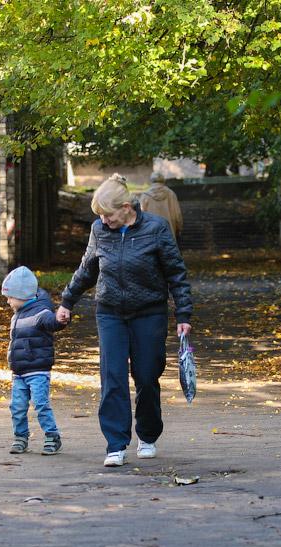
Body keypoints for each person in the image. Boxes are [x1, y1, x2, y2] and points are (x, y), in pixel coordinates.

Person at [56, 174, 193, 467]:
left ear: (127, 207)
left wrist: (183, 314)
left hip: (149, 312)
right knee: (112, 376)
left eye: (108, 214)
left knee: (146, 375)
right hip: (110, 312)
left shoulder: (156, 228)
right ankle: (115, 444)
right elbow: (87, 270)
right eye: (100, 216)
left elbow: (176, 273)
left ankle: (147, 434)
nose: (104, 221)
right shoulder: (99, 230)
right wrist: (67, 301)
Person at [1, 266, 67, 455]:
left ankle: (52, 436)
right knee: (17, 406)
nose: (7, 301)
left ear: (21, 295)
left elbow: (52, 323)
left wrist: (60, 320)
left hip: (37, 371)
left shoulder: (40, 312)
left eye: (9, 297)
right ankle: (20, 437)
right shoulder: (17, 315)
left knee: (40, 403)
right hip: (19, 372)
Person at [139, 172, 183, 241]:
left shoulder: (145, 196)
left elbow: (140, 216)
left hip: (151, 234)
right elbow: (177, 215)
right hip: (169, 232)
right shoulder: (171, 194)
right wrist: (179, 228)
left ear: (151, 180)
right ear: (163, 180)